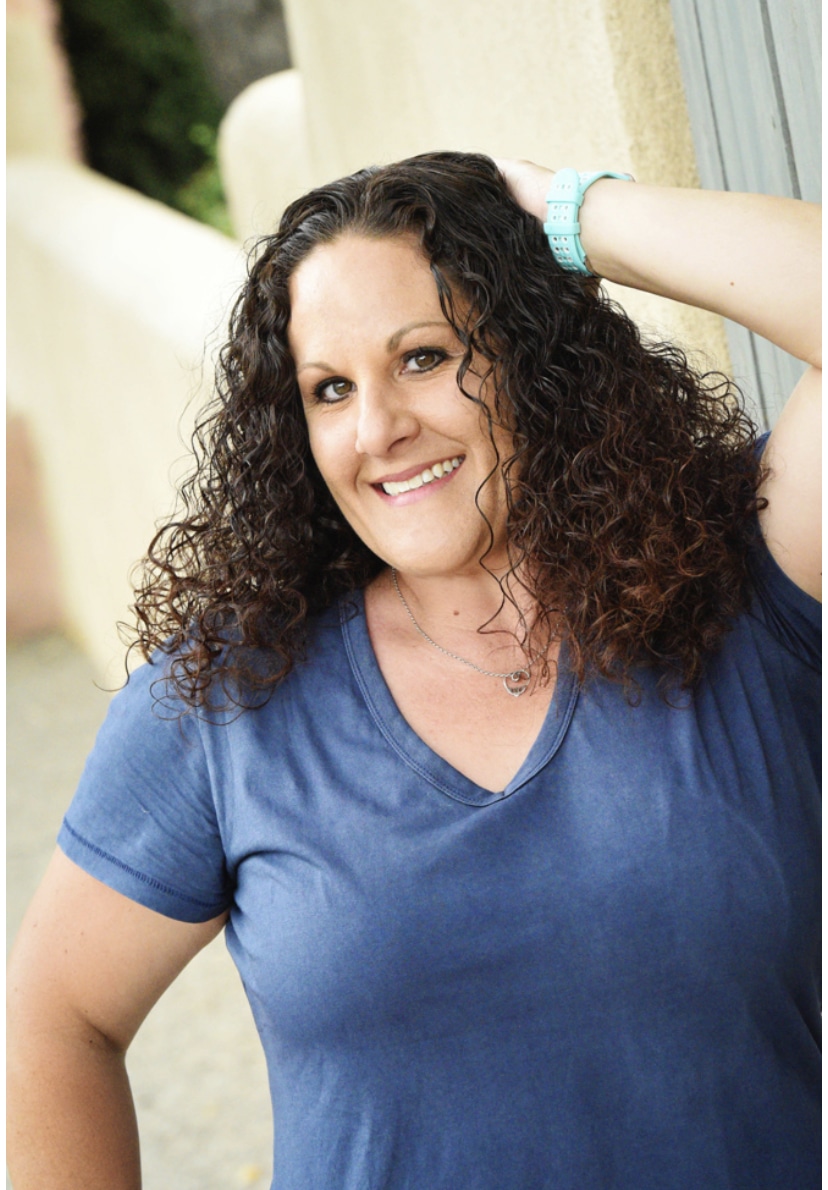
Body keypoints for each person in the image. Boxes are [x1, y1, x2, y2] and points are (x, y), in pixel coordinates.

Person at [7, 152, 820, 1189]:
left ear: (534, 354)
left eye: (425, 356)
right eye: (330, 388)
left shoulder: (738, 588)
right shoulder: (226, 697)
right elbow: (56, 1015)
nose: (378, 428)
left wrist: (569, 216)